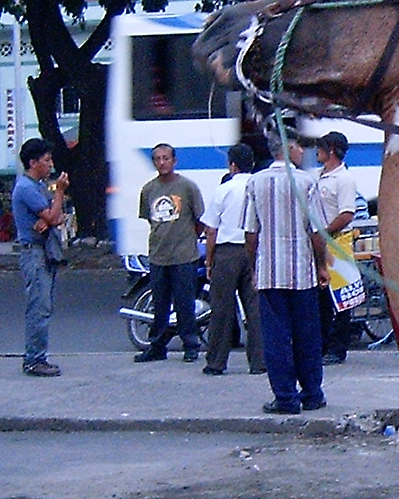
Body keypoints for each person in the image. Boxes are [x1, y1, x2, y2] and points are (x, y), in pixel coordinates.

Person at [244, 128, 329, 414]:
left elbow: (251, 232)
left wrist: (255, 266)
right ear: (289, 149)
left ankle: (285, 397)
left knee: (276, 337)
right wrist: (321, 265)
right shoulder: (306, 183)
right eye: (299, 147)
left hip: (270, 272)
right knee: (307, 335)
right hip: (301, 271)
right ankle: (312, 393)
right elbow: (316, 231)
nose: (302, 152)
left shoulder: (255, 183)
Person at [134, 142, 205, 363]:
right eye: (158, 159)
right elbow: (150, 218)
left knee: (185, 303)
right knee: (160, 304)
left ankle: (190, 345)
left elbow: (199, 220)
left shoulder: (187, 187)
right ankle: (157, 346)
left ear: (174, 161)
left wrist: (188, 239)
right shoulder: (148, 189)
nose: (162, 162)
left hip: (184, 255)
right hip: (158, 255)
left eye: (166, 158)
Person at [200, 142, 264, 376]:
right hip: (255, 250)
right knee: (255, 308)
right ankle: (259, 361)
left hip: (227, 252)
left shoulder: (224, 189)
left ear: (232, 165)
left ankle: (216, 361)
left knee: (222, 308)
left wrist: (209, 259)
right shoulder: (259, 186)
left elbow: (211, 230)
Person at [10, 137, 68, 377]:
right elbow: (54, 217)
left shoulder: (39, 187)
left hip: (42, 250)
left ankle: (37, 356)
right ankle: (34, 359)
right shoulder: (26, 188)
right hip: (33, 252)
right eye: (46, 160)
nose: (50, 164)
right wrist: (60, 194)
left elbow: (57, 216)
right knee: (39, 307)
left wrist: (50, 216)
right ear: (33, 163)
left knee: (44, 305)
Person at [313, 131, 361, 364]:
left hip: (336, 241)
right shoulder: (320, 177)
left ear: (331, 150)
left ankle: (338, 347)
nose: (316, 152)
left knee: (340, 297)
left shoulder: (344, 179)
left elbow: (347, 213)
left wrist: (326, 232)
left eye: (320, 148)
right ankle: (322, 343)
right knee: (321, 297)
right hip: (320, 243)